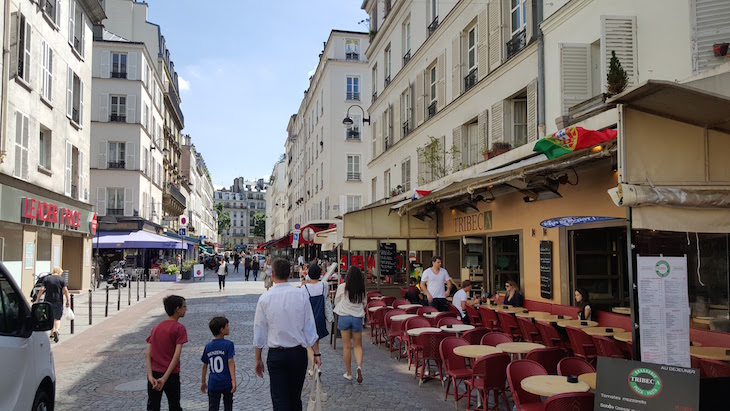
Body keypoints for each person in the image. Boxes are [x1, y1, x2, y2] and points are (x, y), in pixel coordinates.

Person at [253, 259, 320, 411]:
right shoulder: (301, 295)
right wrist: (316, 353)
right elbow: (309, 326)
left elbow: (259, 331)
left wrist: (258, 358)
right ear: (290, 273)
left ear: (273, 274)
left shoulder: (265, 298)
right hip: (298, 354)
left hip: (277, 355)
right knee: (295, 397)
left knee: (279, 399)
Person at [145, 295, 188, 411]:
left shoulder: (156, 327)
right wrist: (164, 378)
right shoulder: (179, 328)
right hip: (171, 375)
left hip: (154, 374)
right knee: (174, 405)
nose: (186, 309)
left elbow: (147, 354)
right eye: (184, 306)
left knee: (153, 406)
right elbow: (176, 355)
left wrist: (150, 376)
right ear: (177, 309)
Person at [334, 266, 366, 383]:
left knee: (346, 346)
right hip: (357, 317)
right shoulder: (362, 289)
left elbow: (336, 301)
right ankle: (359, 367)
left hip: (344, 316)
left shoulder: (342, 287)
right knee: (357, 346)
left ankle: (349, 373)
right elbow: (365, 303)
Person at [201, 316, 236, 411]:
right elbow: (230, 362)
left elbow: (204, 365)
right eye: (227, 326)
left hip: (213, 382)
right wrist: (233, 380)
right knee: (228, 405)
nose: (229, 328)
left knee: (213, 406)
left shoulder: (208, 346)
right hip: (226, 381)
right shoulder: (229, 345)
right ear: (221, 329)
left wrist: (203, 381)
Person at [302, 263, 329, 376]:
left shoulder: (305, 288)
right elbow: (326, 296)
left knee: (309, 344)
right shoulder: (324, 285)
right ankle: (315, 367)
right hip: (320, 318)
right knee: (316, 343)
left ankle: (314, 366)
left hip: (309, 319)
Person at [35, 266, 70, 343]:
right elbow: (65, 290)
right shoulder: (62, 279)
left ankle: (51, 333)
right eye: (61, 273)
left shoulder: (47, 279)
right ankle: (56, 330)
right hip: (58, 301)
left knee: (50, 317)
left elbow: (41, 289)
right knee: (57, 318)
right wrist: (68, 300)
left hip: (48, 301)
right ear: (59, 272)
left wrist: (37, 299)